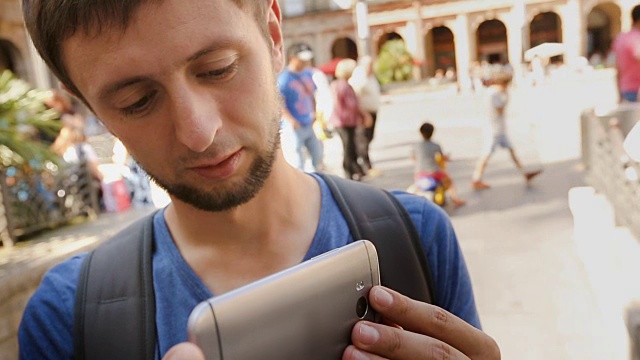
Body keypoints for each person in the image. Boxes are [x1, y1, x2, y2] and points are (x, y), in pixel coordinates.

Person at [18, 1, 500, 360]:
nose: (199, 133)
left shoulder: (416, 237)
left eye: (218, 69)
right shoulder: (69, 319)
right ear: (85, 103)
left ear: (273, 34)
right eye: (137, 101)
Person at [472, 67, 542, 190]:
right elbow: (500, 110)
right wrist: (507, 98)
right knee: (486, 155)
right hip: (493, 130)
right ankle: (476, 179)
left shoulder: (492, 93)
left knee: (511, 151)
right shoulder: (495, 94)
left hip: (498, 129)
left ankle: (524, 172)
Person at [278, 42, 324, 171]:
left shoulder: (307, 74)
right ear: (293, 58)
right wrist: (291, 120)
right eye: (303, 59)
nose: (306, 62)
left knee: (318, 155)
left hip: (308, 122)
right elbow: (279, 103)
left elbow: (312, 94)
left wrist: (314, 112)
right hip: (293, 126)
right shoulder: (284, 79)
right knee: (297, 161)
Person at [411, 122, 466, 208]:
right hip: (435, 173)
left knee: (416, 186)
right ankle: (456, 200)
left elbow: (413, 158)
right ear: (432, 133)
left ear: (420, 132)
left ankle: (405, 201)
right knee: (449, 181)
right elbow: (442, 157)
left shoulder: (416, 145)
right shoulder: (436, 145)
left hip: (420, 173)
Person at [330, 58, 368, 181]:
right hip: (345, 121)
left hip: (341, 121)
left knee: (349, 146)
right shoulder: (344, 86)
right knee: (349, 147)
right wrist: (363, 115)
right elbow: (352, 105)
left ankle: (354, 170)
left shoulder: (336, 84)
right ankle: (349, 172)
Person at [349, 55, 382, 176]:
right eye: (369, 66)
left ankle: (364, 164)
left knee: (370, 138)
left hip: (372, 111)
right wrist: (364, 114)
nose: (371, 68)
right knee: (363, 140)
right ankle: (366, 165)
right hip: (364, 113)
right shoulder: (359, 77)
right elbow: (356, 97)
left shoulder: (371, 77)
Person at [613, 4, 640, 103]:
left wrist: (619, 94)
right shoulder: (636, 38)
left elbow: (618, 69)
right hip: (637, 92)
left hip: (626, 90)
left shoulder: (621, 38)